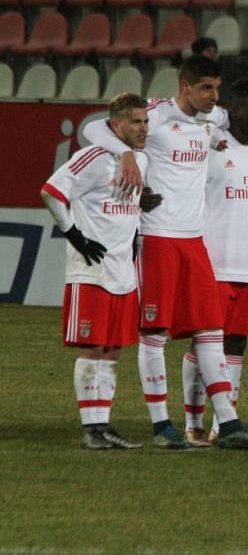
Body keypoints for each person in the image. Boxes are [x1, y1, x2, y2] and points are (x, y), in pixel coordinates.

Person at [82, 56, 248, 450]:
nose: (214, 97)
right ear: (185, 86)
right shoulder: (156, 114)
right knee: (154, 333)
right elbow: (92, 126)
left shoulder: (213, 118)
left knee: (209, 330)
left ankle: (229, 422)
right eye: (206, 88)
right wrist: (123, 154)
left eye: (217, 89)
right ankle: (161, 427)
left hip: (195, 240)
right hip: (157, 238)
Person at [41, 93, 157, 450]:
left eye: (145, 121)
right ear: (117, 124)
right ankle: (90, 428)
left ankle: (102, 425)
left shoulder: (140, 161)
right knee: (92, 349)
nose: (142, 128)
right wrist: (75, 236)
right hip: (91, 269)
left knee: (112, 350)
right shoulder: (91, 157)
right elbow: (51, 192)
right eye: (135, 121)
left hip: (123, 269)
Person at [180, 78, 248, 444]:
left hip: (246, 263)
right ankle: (193, 423)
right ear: (232, 112)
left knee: (236, 344)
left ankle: (224, 425)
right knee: (204, 342)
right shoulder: (211, 147)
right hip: (212, 263)